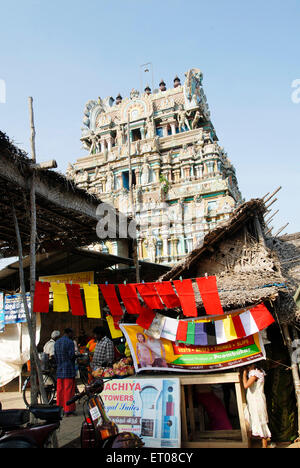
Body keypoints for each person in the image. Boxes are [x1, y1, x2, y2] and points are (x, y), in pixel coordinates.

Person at [242, 364, 271, 448]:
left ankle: (264, 445)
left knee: (260, 420)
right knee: (252, 419)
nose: (247, 367)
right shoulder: (258, 371)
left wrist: (244, 375)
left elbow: (246, 385)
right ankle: (255, 443)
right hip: (254, 400)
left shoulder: (255, 374)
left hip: (256, 401)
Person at [54, 328, 77, 416]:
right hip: (68, 369)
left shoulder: (57, 342)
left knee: (60, 390)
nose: (73, 335)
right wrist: (76, 356)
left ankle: (59, 408)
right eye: (72, 333)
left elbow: (55, 356)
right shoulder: (70, 342)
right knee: (69, 390)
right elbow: (71, 355)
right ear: (69, 333)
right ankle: (68, 409)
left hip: (59, 369)